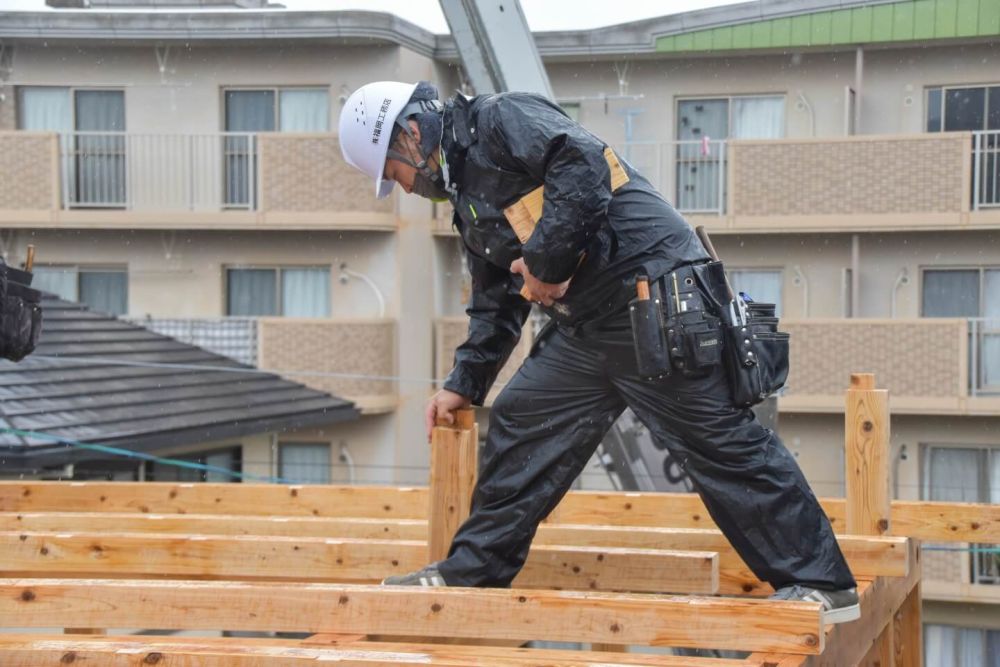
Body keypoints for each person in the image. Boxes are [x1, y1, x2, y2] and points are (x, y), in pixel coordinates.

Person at [338, 80, 860, 624]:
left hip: (652, 298)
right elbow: (496, 304)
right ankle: (470, 575)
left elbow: (581, 162)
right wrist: (462, 385)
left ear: (410, 134)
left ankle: (821, 584)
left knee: (720, 446)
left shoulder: (499, 120)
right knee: (522, 419)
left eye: (395, 173)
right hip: (588, 328)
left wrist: (544, 263)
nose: (404, 187)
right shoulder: (470, 201)